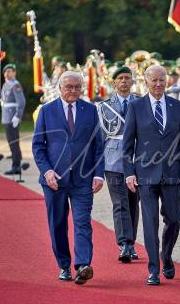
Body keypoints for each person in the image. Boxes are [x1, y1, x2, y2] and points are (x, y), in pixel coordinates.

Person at [123, 64, 180, 286]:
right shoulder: (136, 107)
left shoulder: (177, 106)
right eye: (154, 80)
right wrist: (129, 173)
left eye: (162, 80)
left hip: (173, 173)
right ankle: (153, 269)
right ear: (146, 81)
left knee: (174, 219)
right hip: (145, 175)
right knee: (150, 222)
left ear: (167, 81)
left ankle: (166, 256)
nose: (158, 84)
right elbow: (127, 145)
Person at [32, 71, 105, 285]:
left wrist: (99, 174)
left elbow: (98, 146)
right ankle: (64, 266)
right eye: (69, 87)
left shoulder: (91, 110)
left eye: (77, 87)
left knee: (83, 222)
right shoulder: (46, 111)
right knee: (58, 223)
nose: (73, 91)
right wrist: (47, 172)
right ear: (60, 88)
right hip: (54, 180)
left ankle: (83, 265)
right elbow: (38, 146)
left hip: (83, 179)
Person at [97, 66, 140, 263]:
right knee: (119, 203)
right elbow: (100, 137)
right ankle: (124, 244)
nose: (124, 81)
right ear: (114, 82)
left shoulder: (141, 103)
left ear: (132, 82)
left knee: (133, 203)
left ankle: (131, 242)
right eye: (120, 78)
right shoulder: (104, 106)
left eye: (127, 78)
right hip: (113, 159)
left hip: (137, 158)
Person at [0, 63, 26, 175]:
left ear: (14, 73)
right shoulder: (6, 85)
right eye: (6, 71)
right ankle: (16, 163)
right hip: (6, 117)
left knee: (14, 142)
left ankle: (16, 166)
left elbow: (21, 102)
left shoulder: (15, 85)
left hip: (12, 118)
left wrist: (18, 116)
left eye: (10, 71)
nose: (7, 73)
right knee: (11, 142)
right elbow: (2, 96)